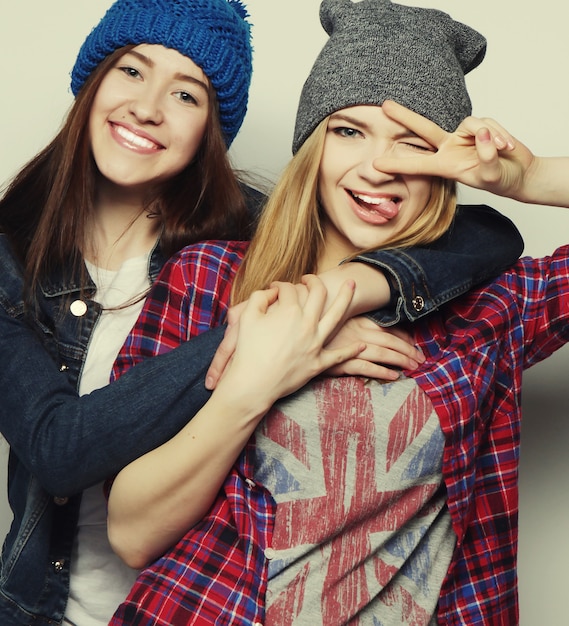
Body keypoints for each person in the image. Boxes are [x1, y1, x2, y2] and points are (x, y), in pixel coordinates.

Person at [0, 0, 522, 624]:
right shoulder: (16, 254)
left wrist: (353, 288)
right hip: (51, 605)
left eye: (188, 94)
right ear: (92, 81)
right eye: (132, 71)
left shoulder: (256, 235)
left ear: (212, 127)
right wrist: (283, 344)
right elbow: (58, 448)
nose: (149, 106)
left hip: (204, 595)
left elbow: (481, 236)